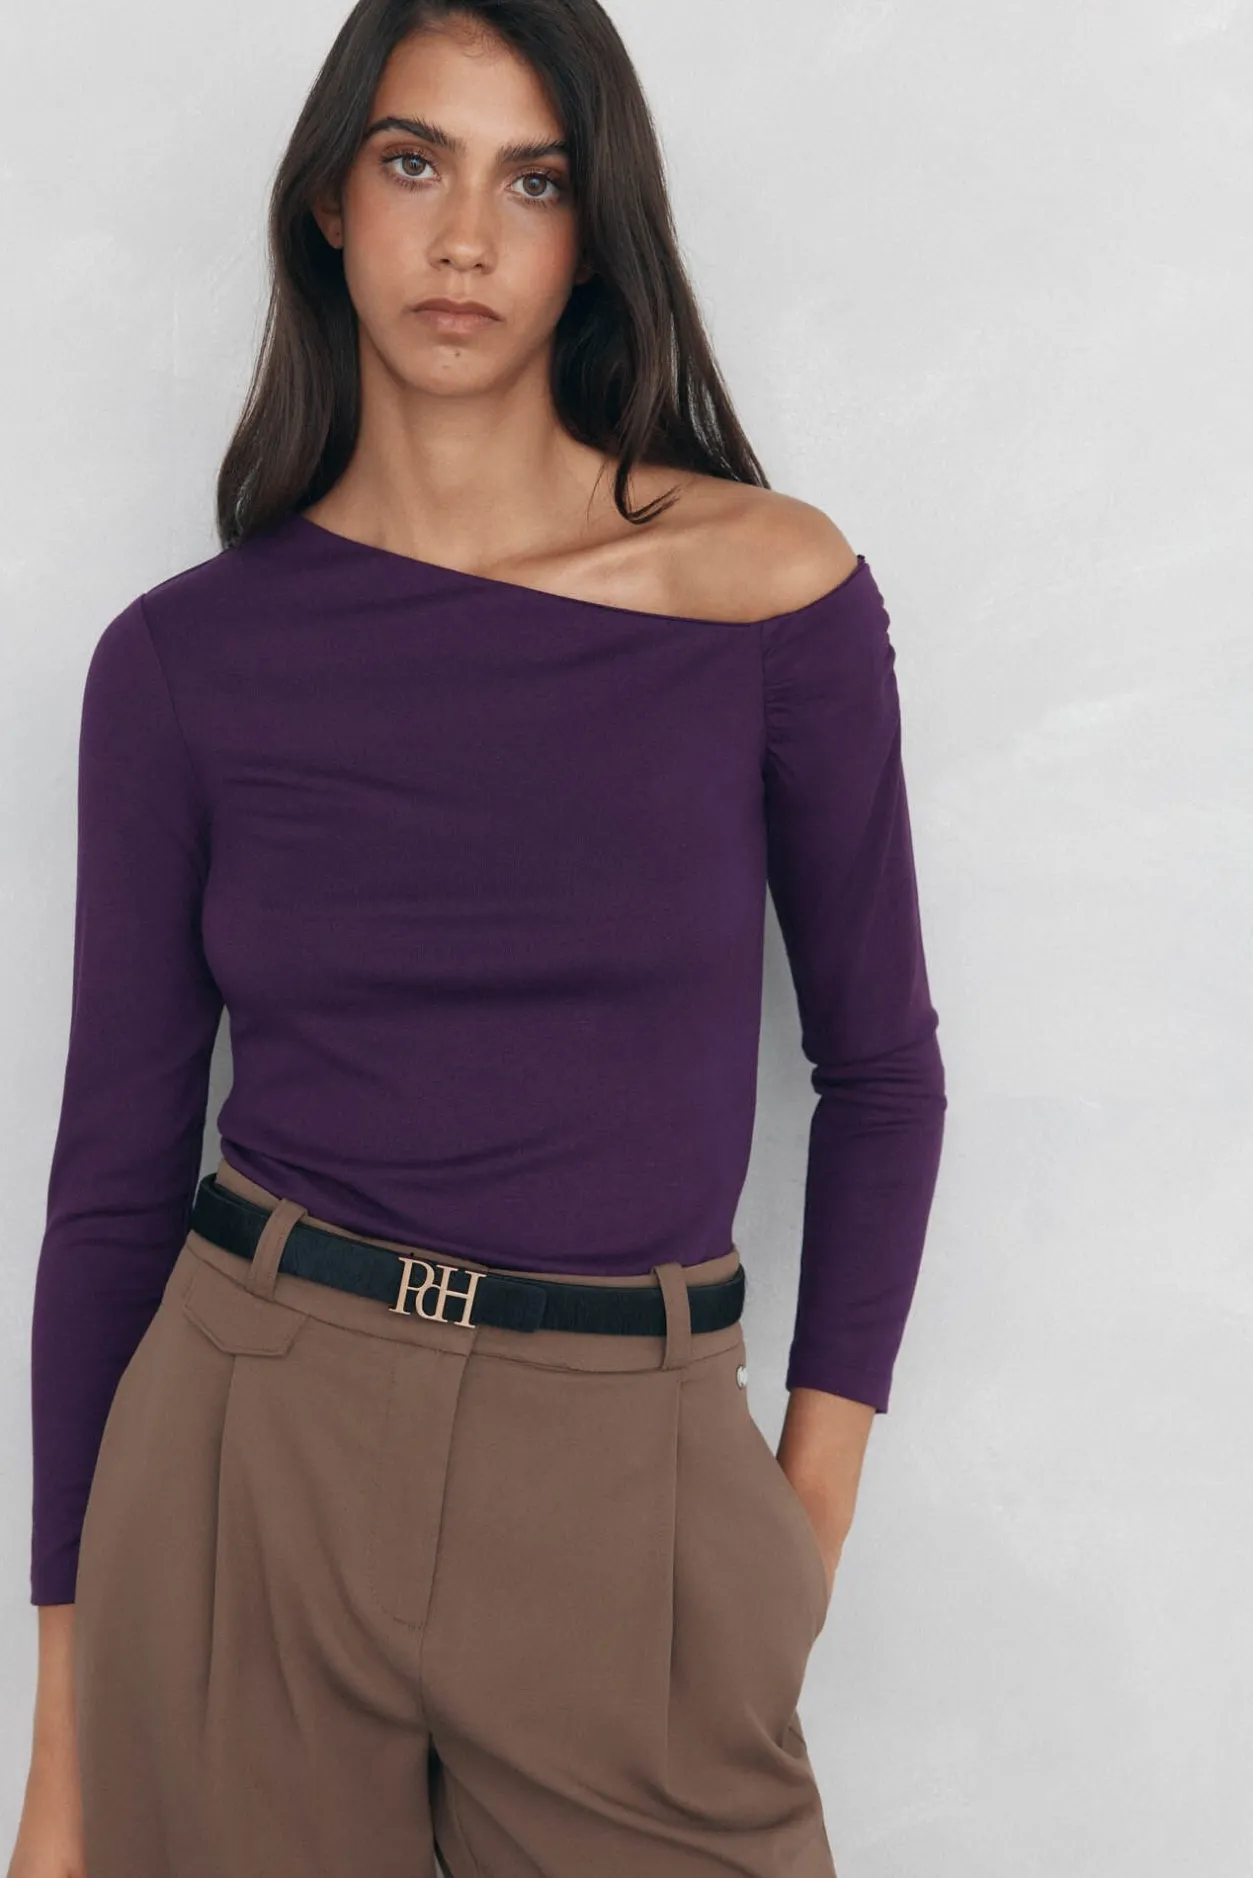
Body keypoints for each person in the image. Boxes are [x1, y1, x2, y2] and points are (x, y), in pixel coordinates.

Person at [9, 1, 947, 1874]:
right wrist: (62, 1742)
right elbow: (111, 1181)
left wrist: (801, 1526)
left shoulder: (767, 597)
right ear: (330, 204)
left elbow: (882, 1070)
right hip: (249, 1460)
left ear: (594, 234)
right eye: (413, 161)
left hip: (627, 1475)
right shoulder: (186, 662)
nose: (463, 238)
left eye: (533, 181)